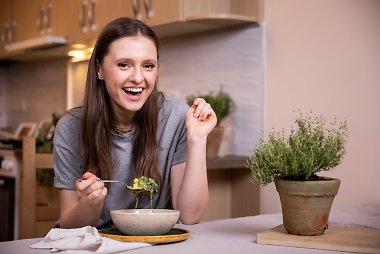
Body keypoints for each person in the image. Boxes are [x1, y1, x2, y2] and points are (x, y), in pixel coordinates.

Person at [53, 17, 217, 229]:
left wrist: (197, 138)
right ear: (99, 69)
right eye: (124, 65)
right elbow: (69, 226)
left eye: (148, 66)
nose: (138, 78)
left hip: (152, 244)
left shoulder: (177, 117)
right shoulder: (70, 127)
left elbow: (189, 216)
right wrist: (90, 203)